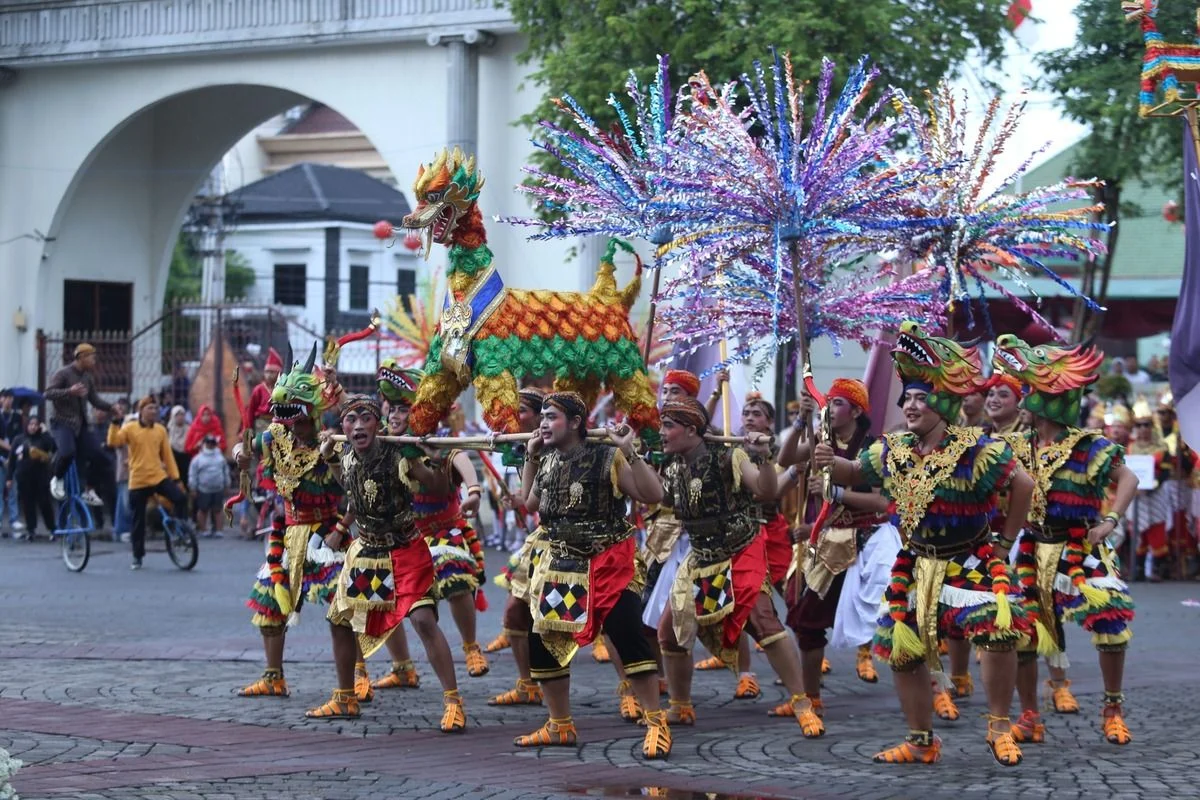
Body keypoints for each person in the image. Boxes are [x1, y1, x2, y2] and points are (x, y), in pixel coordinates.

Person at [814, 322, 1034, 766]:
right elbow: (854, 473)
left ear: (944, 403)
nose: (911, 405)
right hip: (914, 563)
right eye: (908, 398)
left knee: (998, 633)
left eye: (920, 398)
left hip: (970, 558)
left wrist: (1005, 543)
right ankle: (920, 741)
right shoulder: (893, 448)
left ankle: (998, 727)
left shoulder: (976, 447)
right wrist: (825, 459)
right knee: (902, 650)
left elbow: (1024, 485)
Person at [991, 334, 1139, 747]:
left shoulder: (1089, 446)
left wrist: (1109, 521)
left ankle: (1112, 709)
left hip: (1082, 546)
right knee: (1023, 633)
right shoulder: (1014, 446)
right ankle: (1029, 717)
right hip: (1032, 548)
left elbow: (1128, 478)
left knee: (1110, 621)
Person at [515, 391, 671, 757]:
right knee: (545, 640)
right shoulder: (548, 458)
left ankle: (655, 721)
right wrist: (531, 456)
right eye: (542, 417)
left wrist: (630, 451)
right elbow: (530, 503)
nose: (543, 423)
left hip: (608, 564)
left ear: (574, 423)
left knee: (627, 635)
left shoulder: (607, 456)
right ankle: (560, 724)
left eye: (551, 417)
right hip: (562, 567)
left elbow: (653, 495)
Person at [656, 397, 816, 736]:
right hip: (700, 558)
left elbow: (766, 490)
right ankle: (680, 706)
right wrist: (628, 454)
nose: (661, 432)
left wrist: (763, 456)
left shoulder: (731, 455)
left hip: (740, 553)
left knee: (764, 622)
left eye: (668, 426)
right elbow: (653, 496)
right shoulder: (672, 465)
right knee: (669, 632)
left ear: (691, 430)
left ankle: (802, 703)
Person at [310, 395, 467, 730]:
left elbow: (439, 489)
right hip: (367, 552)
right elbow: (351, 488)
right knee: (339, 621)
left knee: (423, 620)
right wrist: (331, 459)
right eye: (350, 420)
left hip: (405, 550)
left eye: (364, 418)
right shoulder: (346, 454)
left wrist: (429, 461)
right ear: (343, 427)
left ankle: (453, 701)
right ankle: (345, 697)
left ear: (377, 424)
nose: (357, 426)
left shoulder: (398, 453)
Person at [777, 378, 892, 734]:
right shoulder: (819, 440)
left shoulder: (874, 448)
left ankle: (937, 690)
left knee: (901, 622)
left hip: (866, 543)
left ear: (856, 412)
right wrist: (801, 421)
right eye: (827, 402)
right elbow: (784, 459)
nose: (829, 408)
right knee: (806, 620)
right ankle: (811, 697)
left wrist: (836, 493)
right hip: (827, 542)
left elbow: (882, 502)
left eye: (837, 403)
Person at [233, 347, 348, 700]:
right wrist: (240, 455)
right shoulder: (273, 438)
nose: (286, 417)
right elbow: (244, 448)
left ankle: (356, 679)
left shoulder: (333, 442)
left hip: (326, 536)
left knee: (343, 606)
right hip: (287, 534)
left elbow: (351, 489)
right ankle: (273, 677)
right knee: (269, 601)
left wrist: (331, 461)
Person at [643, 371, 754, 701]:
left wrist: (716, 394)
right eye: (665, 390)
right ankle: (662, 680)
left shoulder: (712, 444)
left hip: (713, 540)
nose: (667, 395)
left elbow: (699, 430)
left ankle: (749, 676)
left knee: (738, 613)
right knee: (654, 612)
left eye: (675, 391)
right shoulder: (657, 434)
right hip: (666, 535)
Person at [485, 385, 548, 706]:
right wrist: (519, 500)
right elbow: (533, 498)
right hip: (541, 541)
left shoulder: (560, 446)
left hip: (575, 544)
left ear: (539, 417)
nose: (514, 417)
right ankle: (527, 686)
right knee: (513, 612)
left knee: (606, 621)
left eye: (521, 411)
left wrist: (525, 500)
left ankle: (631, 689)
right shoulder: (523, 447)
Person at [107, 397, 192, 570]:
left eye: (155, 408)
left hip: (157, 477)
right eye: (150, 408)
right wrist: (115, 422)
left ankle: (178, 532)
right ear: (141, 411)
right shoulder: (130, 428)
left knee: (180, 498)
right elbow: (113, 441)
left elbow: (167, 456)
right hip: (138, 480)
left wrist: (176, 478)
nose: (154, 411)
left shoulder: (160, 430)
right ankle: (137, 556)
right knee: (138, 521)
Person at [44, 343, 113, 507]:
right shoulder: (63, 373)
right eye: (92, 357)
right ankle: (57, 478)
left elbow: (94, 400)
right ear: (81, 357)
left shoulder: (87, 377)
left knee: (101, 456)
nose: (94, 360)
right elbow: (48, 394)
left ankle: (89, 489)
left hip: (80, 424)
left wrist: (111, 408)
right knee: (68, 452)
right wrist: (69, 392)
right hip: (62, 422)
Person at [9, 415, 56, 539]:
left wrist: (45, 432)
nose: (33, 427)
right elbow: (12, 459)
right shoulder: (19, 439)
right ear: (27, 425)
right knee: (27, 504)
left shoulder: (43, 439)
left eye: (36, 425)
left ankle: (52, 528)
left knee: (45, 503)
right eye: (31, 424)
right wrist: (9, 478)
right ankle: (31, 530)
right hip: (24, 477)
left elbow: (53, 447)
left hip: (41, 476)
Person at [190, 435, 231, 538]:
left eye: (212, 443)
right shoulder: (197, 459)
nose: (210, 445)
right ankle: (204, 530)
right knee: (203, 510)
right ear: (204, 444)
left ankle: (219, 530)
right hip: (203, 489)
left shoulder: (220, 458)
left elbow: (225, 472)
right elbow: (193, 474)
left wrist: (227, 485)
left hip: (218, 488)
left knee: (218, 510)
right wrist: (193, 488)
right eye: (208, 443)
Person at [0, 389, 23, 535]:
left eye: (10, 398)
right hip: (1, 456)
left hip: (13, 458)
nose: (8, 400)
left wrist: (15, 452)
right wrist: (9, 448)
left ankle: (14, 518)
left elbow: (20, 437)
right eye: (6, 397)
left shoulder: (17, 417)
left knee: (13, 489)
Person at [249, 348, 284, 432]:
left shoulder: (283, 389)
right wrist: (249, 427)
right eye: (267, 372)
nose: (268, 375)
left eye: (272, 372)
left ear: (279, 374)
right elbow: (251, 409)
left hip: (279, 423)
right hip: (261, 423)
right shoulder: (258, 389)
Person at [166, 406, 191, 488]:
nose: (180, 417)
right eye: (177, 415)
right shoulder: (168, 429)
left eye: (182, 414)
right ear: (173, 416)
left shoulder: (189, 429)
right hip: (173, 461)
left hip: (186, 461)